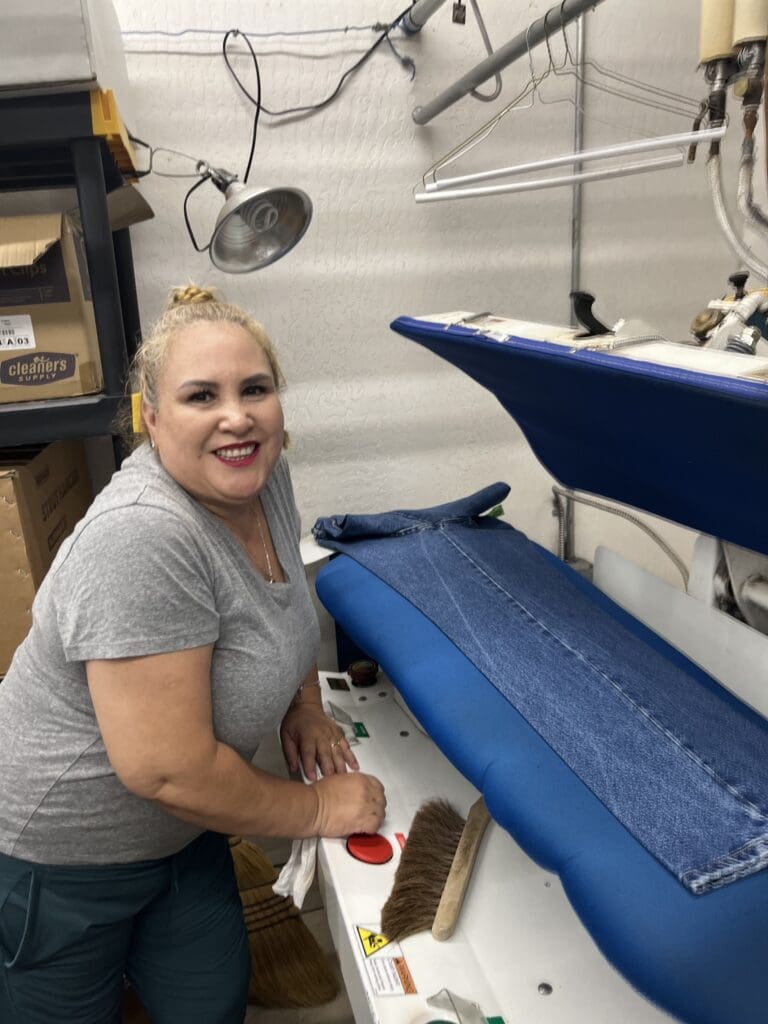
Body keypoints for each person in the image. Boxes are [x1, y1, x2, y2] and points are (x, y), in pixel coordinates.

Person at [0, 285, 387, 1023]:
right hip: (60, 859)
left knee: (210, 1002)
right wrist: (317, 808)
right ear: (151, 418)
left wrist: (305, 704)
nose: (236, 417)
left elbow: (281, 606)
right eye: (201, 396)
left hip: (185, 832)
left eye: (255, 390)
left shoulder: (261, 476)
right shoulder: (143, 537)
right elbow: (166, 769)